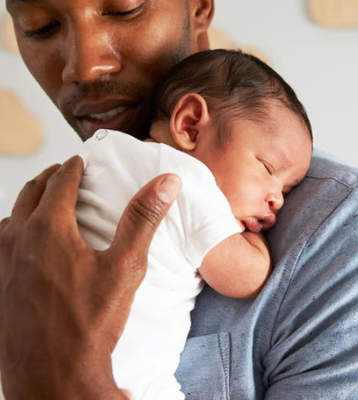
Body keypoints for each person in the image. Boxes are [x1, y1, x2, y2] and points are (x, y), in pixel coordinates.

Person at [0, 1, 358, 399]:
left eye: (124, 8)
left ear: (197, 8)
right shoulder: (46, 220)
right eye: (40, 27)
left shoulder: (348, 232)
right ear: (188, 124)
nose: (84, 64)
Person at [77, 49, 312, 399]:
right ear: (189, 126)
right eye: (267, 168)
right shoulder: (187, 180)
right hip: (126, 381)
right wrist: (252, 238)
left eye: (287, 190)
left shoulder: (98, 154)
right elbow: (245, 278)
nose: (277, 199)